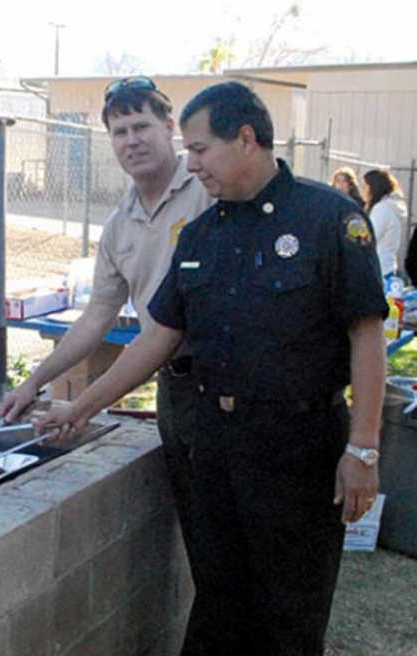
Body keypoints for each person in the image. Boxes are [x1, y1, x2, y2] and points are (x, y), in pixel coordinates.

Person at [37, 81, 387, 655]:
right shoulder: (201, 235)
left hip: (299, 447)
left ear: (245, 139)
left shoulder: (330, 219)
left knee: (289, 614)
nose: (191, 162)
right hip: (215, 443)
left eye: (200, 149)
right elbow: (157, 340)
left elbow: (365, 335)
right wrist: (80, 406)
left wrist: (364, 448)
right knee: (219, 602)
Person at [0, 75, 212, 651]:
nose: (131, 141)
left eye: (142, 126)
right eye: (119, 132)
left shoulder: (207, 190)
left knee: (244, 554)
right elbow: (98, 316)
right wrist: (35, 381)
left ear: (168, 128)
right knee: (204, 545)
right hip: (177, 393)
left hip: (232, 388)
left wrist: (84, 405)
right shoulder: (118, 224)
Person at [363, 168, 406, 279]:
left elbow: (368, 236)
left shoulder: (381, 209)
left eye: (365, 186)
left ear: (373, 188)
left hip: (379, 268)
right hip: (387, 266)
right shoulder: (390, 206)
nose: (363, 190)